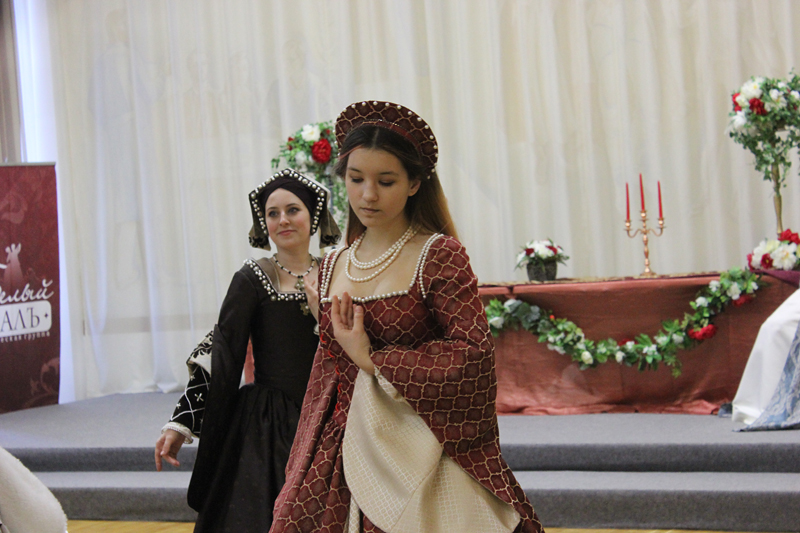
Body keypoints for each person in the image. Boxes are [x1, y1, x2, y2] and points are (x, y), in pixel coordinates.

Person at [271, 101, 544, 532]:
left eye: (386, 181)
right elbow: (326, 375)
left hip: (424, 451)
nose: (368, 195)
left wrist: (372, 360)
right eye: (355, 179)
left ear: (415, 183)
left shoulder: (438, 255)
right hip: (340, 451)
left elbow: (473, 356)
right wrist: (303, 460)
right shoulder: (332, 265)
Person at [154, 169, 340, 532]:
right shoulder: (252, 277)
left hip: (331, 415)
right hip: (270, 427)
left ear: (313, 216)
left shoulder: (337, 273)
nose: (283, 220)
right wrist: (183, 420)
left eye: (293, 210)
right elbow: (221, 350)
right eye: (273, 213)